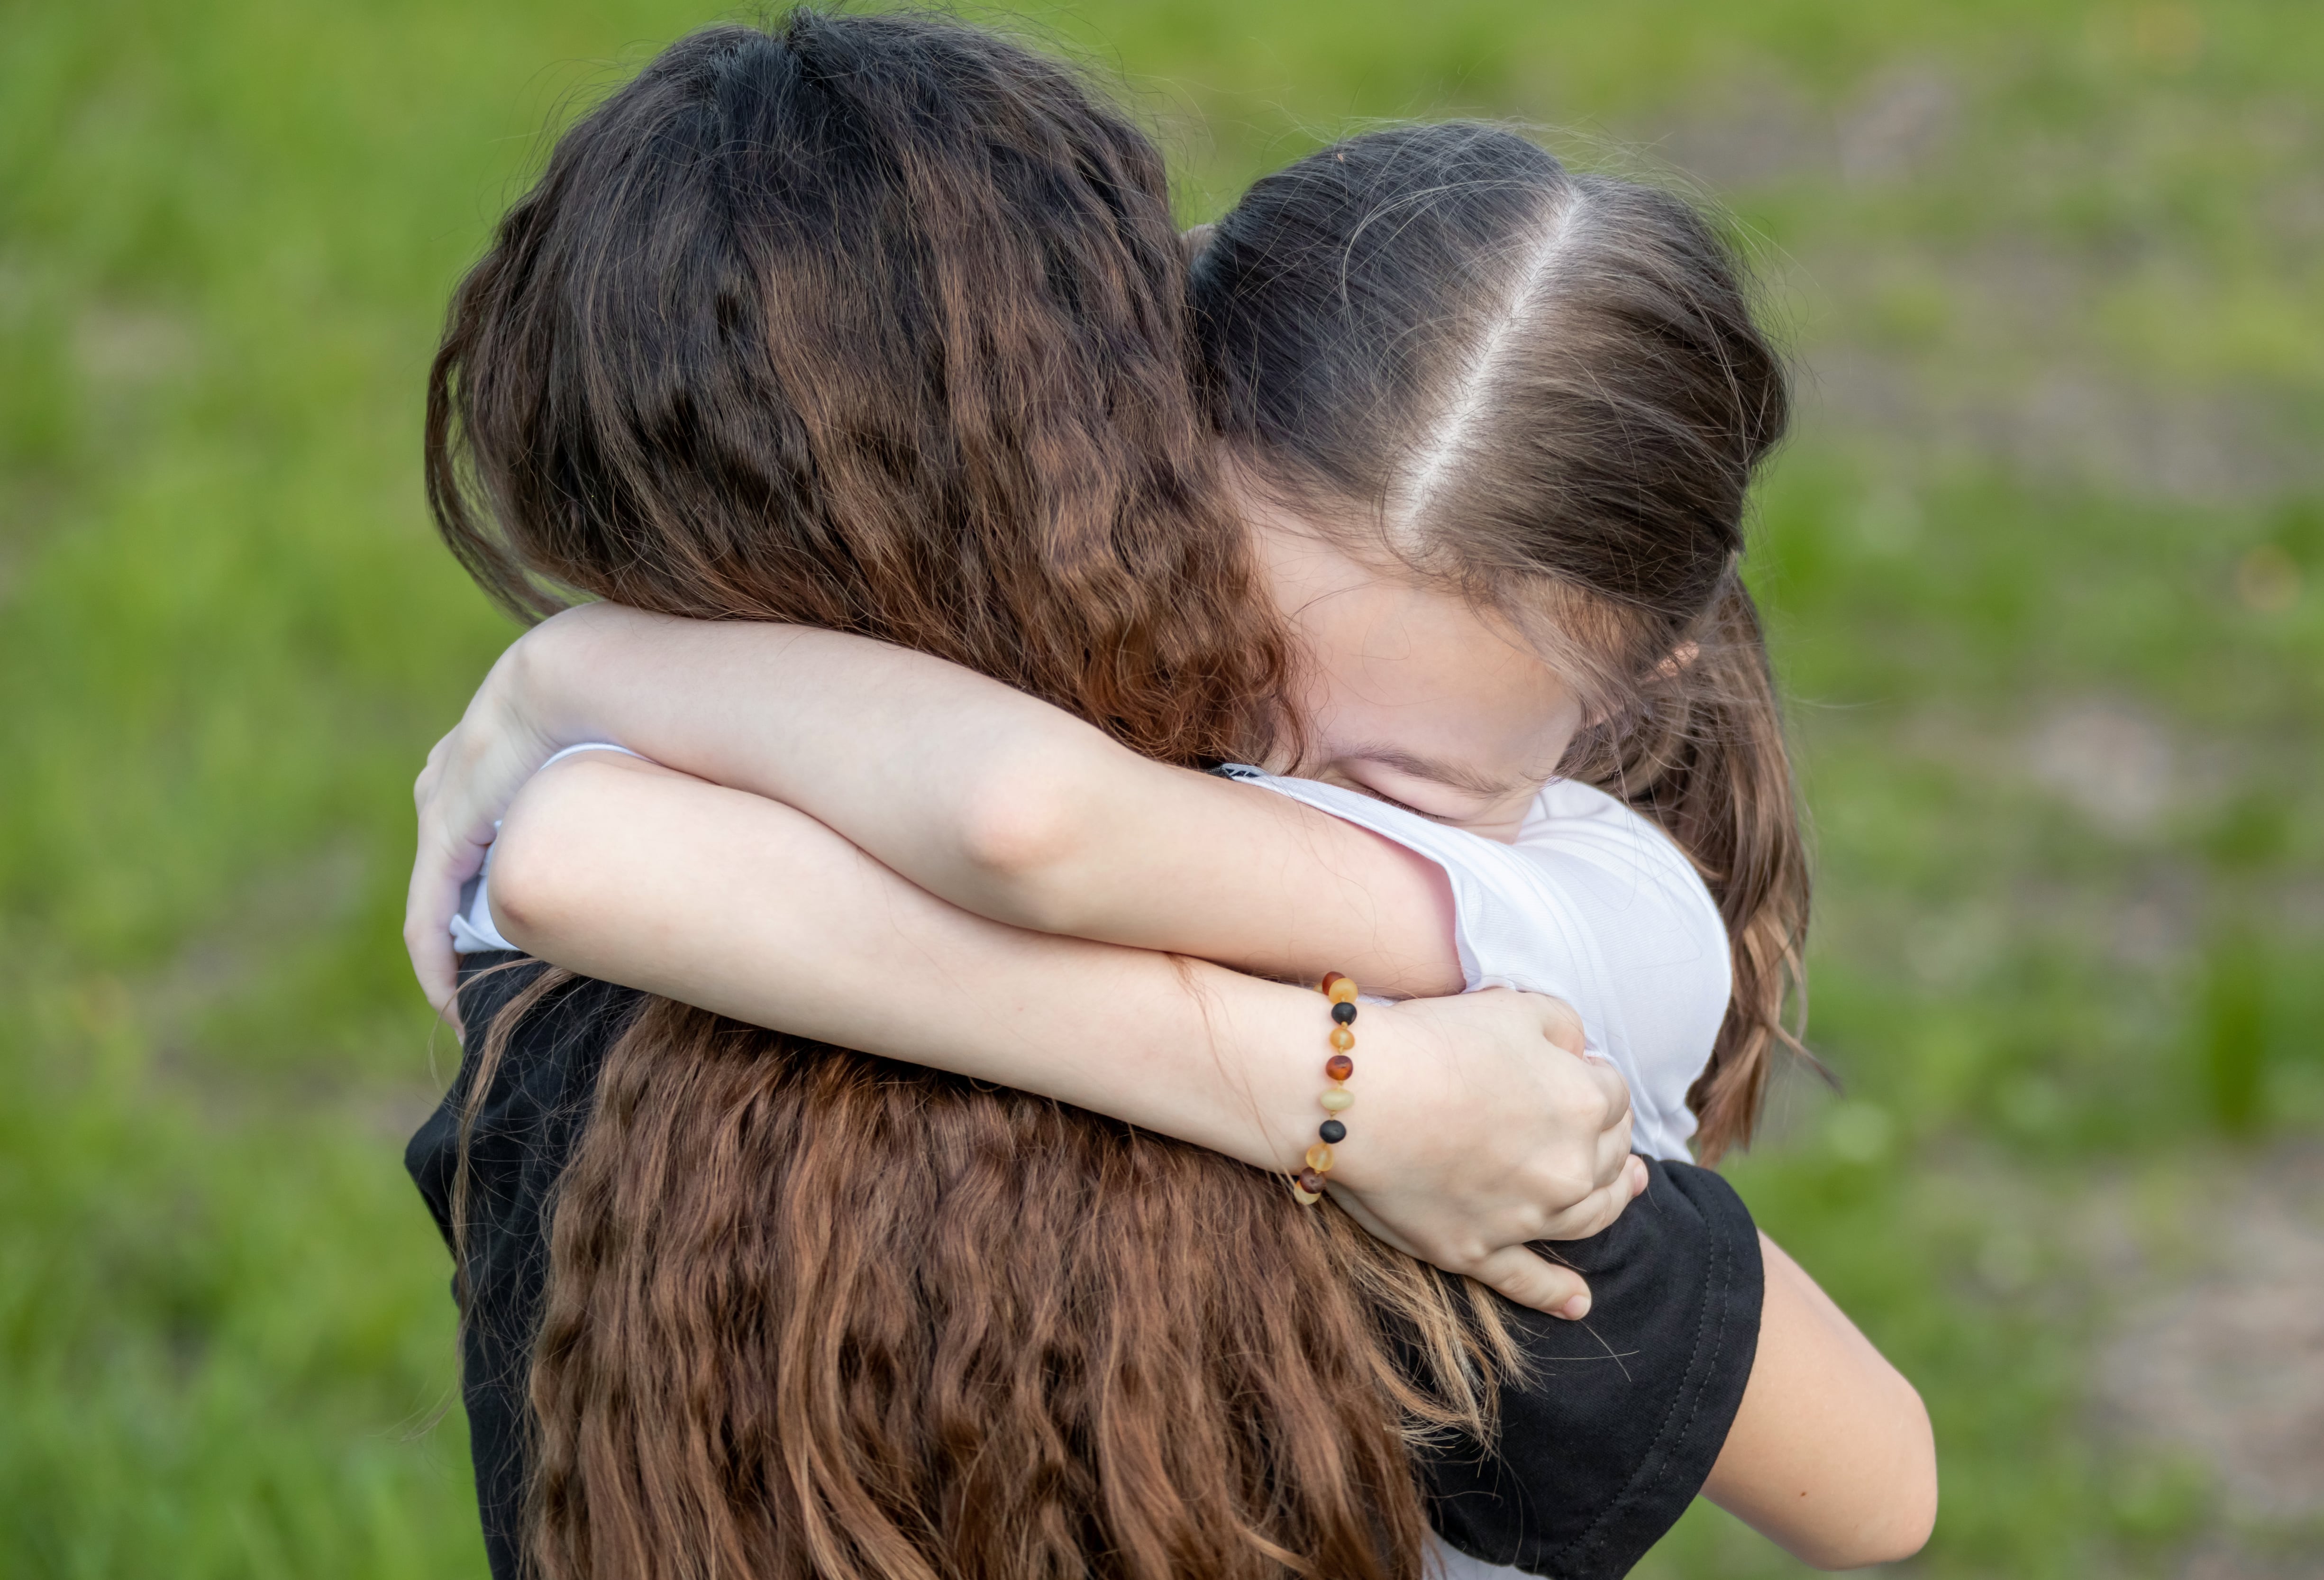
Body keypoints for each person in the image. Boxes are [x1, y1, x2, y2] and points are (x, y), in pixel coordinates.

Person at [401, 12, 1935, 1579]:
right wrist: (1342, 1095)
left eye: (1397, 780)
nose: (1265, 785)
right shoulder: (1446, 1049)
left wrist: (570, 673)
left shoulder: (1588, 930)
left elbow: (937, 828)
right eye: (1242, 681)